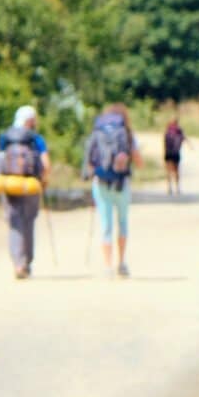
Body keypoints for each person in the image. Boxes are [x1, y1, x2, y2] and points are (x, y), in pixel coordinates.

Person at [0, 104, 49, 279]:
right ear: (30, 121)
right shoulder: (36, 139)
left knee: (14, 222)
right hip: (30, 185)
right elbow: (46, 164)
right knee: (28, 222)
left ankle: (17, 264)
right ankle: (27, 262)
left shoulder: (6, 137)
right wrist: (44, 182)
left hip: (9, 184)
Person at [83, 102, 138, 278]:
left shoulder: (97, 131)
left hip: (100, 183)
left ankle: (107, 266)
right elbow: (138, 160)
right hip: (122, 183)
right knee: (122, 223)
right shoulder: (127, 134)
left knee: (105, 224)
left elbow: (90, 160)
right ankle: (121, 263)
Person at [161, 116, 185, 196]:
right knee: (176, 171)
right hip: (176, 153)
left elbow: (164, 142)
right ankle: (177, 188)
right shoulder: (179, 130)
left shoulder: (167, 130)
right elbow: (183, 139)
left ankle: (169, 188)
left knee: (168, 171)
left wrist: (164, 153)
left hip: (168, 153)